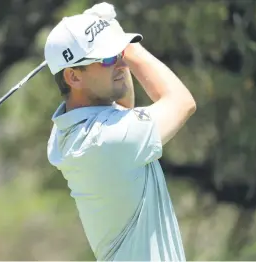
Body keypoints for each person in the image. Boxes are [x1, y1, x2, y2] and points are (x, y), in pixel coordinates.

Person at [44, 2, 196, 261]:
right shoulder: (104, 141)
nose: (121, 64)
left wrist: (111, 32)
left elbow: (123, 105)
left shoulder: (66, 131)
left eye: (118, 55)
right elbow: (182, 102)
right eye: (107, 58)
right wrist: (130, 48)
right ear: (73, 77)